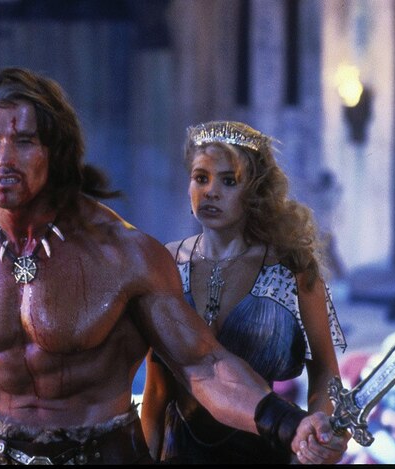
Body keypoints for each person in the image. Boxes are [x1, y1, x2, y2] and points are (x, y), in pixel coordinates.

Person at [0, 68, 347, 465]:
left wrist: (288, 423)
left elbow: (204, 366)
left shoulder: (123, 254)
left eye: (24, 141)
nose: (3, 158)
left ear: (56, 151)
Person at [141, 121, 348, 464]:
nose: (211, 191)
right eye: (201, 178)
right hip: (179, 453)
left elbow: (326, 371)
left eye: (229, 181)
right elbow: (157, 388)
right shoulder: (167, 263)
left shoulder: (291, 268)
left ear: (254, 192)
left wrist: (318, 434)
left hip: (265, 451)